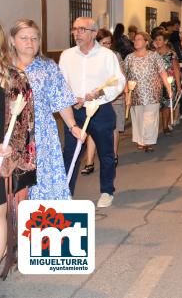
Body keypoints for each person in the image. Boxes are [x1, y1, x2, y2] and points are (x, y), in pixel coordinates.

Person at [9, 20, 83, 201]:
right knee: (13, 185)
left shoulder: (48, 67)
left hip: (42, 135)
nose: (29, 42)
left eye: (34, 38)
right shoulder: (5, 69)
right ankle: (16, 224)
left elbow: (61, 99)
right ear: (12, 40)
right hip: (11, 135)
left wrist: (73, 126)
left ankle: (43, 223)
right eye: (24, 38)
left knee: (43, 180)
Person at [60, 17, 125, 208]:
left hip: (100, 109)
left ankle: (107, 191)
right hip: (74, 111)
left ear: (94, 33)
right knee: (70, 152)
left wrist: (101, 92)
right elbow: (61, 83)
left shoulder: (107, 55)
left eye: (82, 29)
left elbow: (118, 81)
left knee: (105, 152)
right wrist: (73, 99)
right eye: (74, 29)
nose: (77, 33)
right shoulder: (67, 55)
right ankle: (66, 193)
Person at [0, 23, 35, 280]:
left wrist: (11, 153)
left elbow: (23, 123)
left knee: (0, 214)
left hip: (2, 156)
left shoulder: (13, 78)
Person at [81, 29, 127, 175]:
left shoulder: (115, 55)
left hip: (115, 97)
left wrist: (124, 91)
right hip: (96, 99)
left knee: (113, 128)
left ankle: (113, 156)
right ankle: (89, 162)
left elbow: (120, 76)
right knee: (93, 130)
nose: (106, 46)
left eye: (108, 43)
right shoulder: (89, 57)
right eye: (103, 43)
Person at [125, 31, 172, 150]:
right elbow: (124, 76)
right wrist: (126, 93)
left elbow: (162, 72)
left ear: (146, 42)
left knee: (150, 118)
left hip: (152, 92)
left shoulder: (154, 55)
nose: (136, 42)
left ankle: (149, 141)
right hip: (135, 93)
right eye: (135, 40)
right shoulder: (129, 57)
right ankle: (141, 140)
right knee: (138, 118)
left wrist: (168, 87)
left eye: (139, 39)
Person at [153, 29, 181, 135]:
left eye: (160, 40)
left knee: (167, 105)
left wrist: (178, 86)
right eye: (156, 40)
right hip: (156, 84)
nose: (158, 42)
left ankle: (165, 126)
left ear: (165, 41)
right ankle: (154, 127)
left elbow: (176, 70)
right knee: (156, 106)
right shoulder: (153, 54)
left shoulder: (171, 54)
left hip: (169, 83)